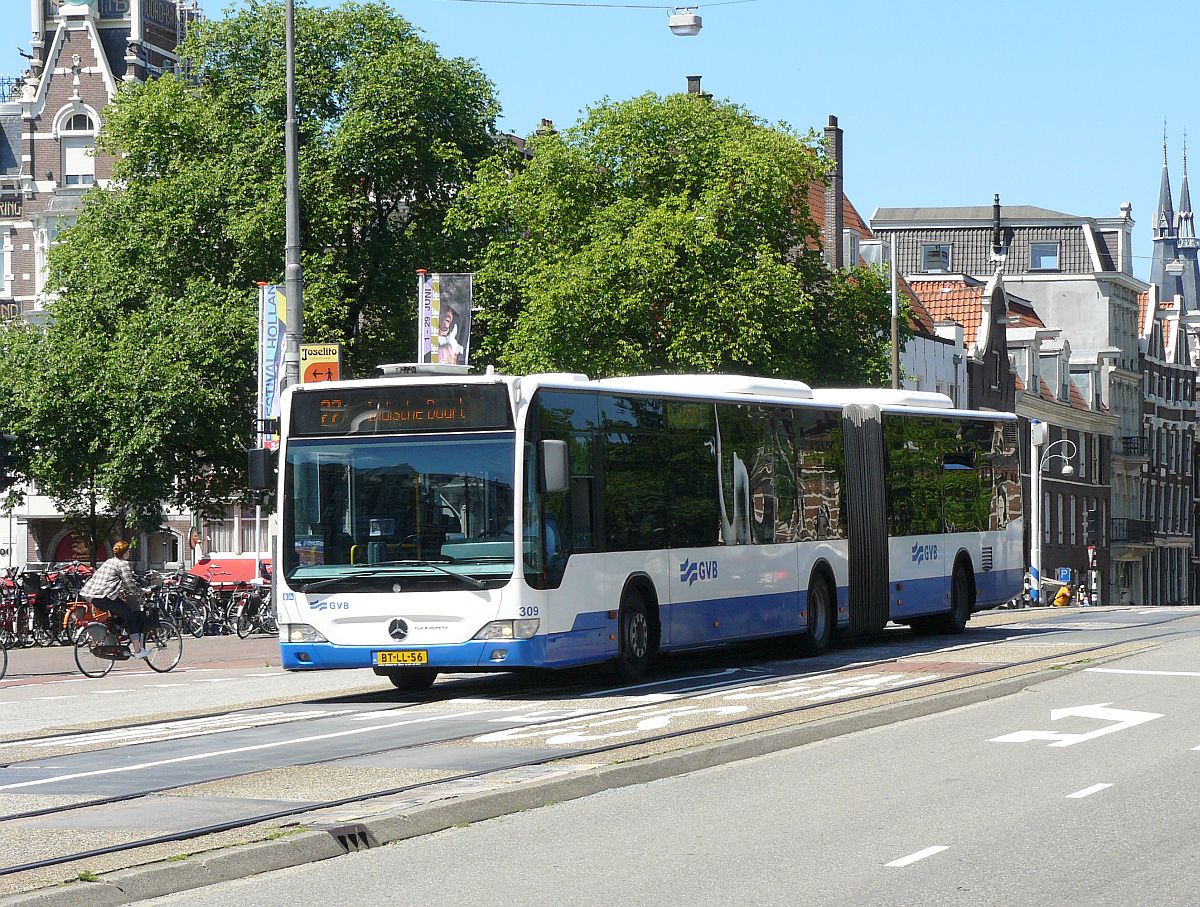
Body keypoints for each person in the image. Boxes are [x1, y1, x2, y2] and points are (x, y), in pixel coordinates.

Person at [79, 541, 150, 658]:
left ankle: (112, 639)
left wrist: (119, 590)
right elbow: (130, 586)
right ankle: (138, 651)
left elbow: (107, 580)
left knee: (119, 615)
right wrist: (143, 591)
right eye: (128, 551)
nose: (129, 553)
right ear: (125, 552)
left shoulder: (109, 561)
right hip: (105, 597)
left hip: (91, 596)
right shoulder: (123, 564)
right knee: (131, 617)